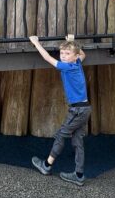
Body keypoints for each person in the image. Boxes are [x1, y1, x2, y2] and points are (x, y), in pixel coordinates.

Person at [29, 34, 91, 187]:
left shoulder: (69, 66)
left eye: (67, 53)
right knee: (77, 141)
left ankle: (47, 166)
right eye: (62, 53)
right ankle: (79, 175)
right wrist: (70, 41)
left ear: (74, 56)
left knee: (61, 135)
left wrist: (36, 43)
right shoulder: (77, 62)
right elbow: (83, 54)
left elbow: (48, 58)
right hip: (84, 109)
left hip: (77, 111)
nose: (63, 56)